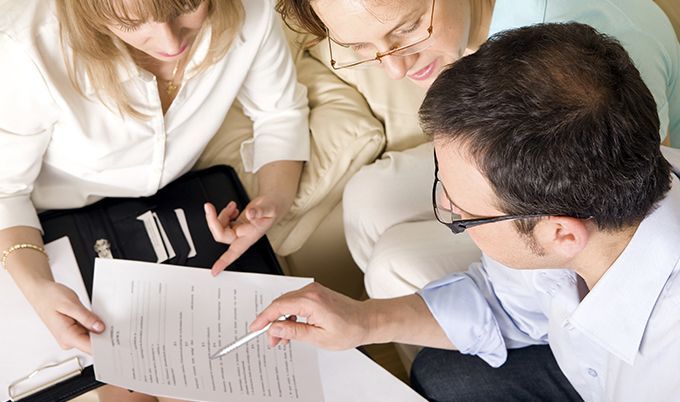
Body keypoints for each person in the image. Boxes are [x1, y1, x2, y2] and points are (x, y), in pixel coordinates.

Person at [250, 23, 680, 401]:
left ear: (562, 235)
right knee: (444, 376)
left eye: (465, 215)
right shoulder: (596, 214)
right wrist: (362, 321)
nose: (449, 210)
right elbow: (505, 301)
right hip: (592, 370)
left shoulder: (664, 371)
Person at [0, 0, 308, 400]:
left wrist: (274, 200)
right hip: (63, 221)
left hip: (179, 203)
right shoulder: (26, 50)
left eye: (188, 5)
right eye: (132, 22)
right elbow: (6, 190)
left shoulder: (251, 9)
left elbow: (280, 113)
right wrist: (38, 285)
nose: (169, 40)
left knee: (218, 381)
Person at [276, 0, 680, 301]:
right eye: (360, 46)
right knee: (369, 198)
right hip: (503, 150)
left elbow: (623, 228)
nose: (396, 68)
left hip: (593, 198)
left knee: (395, 267)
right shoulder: (474, 29)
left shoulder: (578, 61)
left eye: (410, 27)